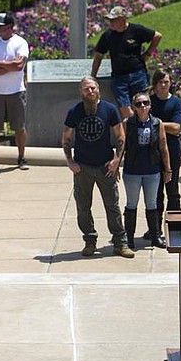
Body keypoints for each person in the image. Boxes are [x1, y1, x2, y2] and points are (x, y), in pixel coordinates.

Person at [62, 77, 134, 258]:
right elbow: (66, 139)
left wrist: (117, 159)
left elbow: (121, 136)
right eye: (86, 89)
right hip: (83, 168)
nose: (90, 92)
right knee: (83, 207)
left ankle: (120, 243)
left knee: (113, 206)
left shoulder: (109, 109)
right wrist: (70, 162)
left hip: (105, 167)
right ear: (81, 91)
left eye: (92, 88)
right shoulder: (75, 112)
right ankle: (89, 241)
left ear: (98, 89)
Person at [91, 6, 162, 120]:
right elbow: (98, 56)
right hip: (119, 77)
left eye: (114, 20)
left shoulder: (136, 30)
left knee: (142, 106)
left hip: (138, 74)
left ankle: (143, 132)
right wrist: (93, 77)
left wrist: (148, 53)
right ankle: (132, 132)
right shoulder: (108, 35)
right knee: (126, 110)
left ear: (123, 19)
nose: (111, 23)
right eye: (110, 20)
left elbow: (157, 36)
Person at [122, 92, 171, 249]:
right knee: (131, 204)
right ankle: (129, 238)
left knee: (152, 204)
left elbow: (163, 147)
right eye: (139, 104)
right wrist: (115, 165)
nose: (143, 106)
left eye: (145, 103)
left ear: (150, 105)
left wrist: (167, 169)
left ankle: (155, 236)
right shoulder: (127, 123)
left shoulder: (158, 123)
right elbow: (121, 146)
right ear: (134, 107)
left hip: (152, 170)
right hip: (132, 171)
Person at [0, 13, 29, 171]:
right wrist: (7, 65)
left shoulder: (20, 43)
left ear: (10, 28)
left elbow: (19, 66)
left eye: (1, 27)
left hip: (16, 91)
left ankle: (22, 157)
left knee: (19, 127)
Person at [148, 69, 181, 239]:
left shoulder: (176, 103)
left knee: (172, 191)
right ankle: (155, 229)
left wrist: (156, 123)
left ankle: (176, 227)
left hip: (173, 152)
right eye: (160, 82)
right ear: (155, 85)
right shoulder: (148, 102)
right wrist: (167, 126)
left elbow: (177, 129)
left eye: (166, 82)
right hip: (152, 152)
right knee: (155, 193)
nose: (163, 85)